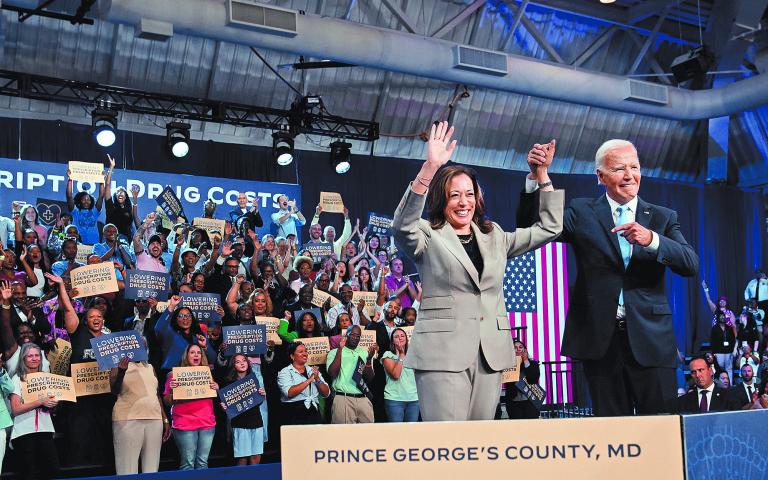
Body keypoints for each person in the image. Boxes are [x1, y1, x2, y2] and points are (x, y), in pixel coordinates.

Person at [392, 122, 563, 421]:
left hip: (489, 353)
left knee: (480, 445)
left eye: (469, 194)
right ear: (442, 199)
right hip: (442, 355)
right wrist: (430, 168)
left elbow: (550, 227)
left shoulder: (494, 235)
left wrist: (542, 175)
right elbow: (402, 226)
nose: (463, 202)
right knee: (448, 446)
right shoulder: (427, 234)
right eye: (455, 195)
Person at [519, 138, 698, 417]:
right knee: (614, 434)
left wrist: (651, 239)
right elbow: (536, 228)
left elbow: (690, 264)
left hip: (651, 341)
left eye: (634, 167)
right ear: (600, 176)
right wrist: (538, 176)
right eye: (619, 169)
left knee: (662, 431)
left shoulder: (662, 217)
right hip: (601, 343)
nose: (629, 175)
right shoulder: (582, 212)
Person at [111, 356, 171, 474]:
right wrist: (122, 370)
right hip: (128, 420)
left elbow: (157, 395)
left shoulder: (150, 367)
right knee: (127, 469)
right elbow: (114, 390)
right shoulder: (117, 365)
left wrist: (165, 419)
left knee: (152, 469)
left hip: (154, 420)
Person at [163, 344, 219, 470]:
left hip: (207, 423)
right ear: (186, 356)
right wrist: (172, 390)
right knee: (188, 464)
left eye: (198, 353)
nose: (196, 355)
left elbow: (212, 396)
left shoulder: (206, 374)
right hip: (185, 424)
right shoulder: (174, 375)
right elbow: (167, 401)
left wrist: (216, 388)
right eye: (192, 352)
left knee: (203, 463)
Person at [9, 343, 60, 480]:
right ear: (23, 358)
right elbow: (15, 409)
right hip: (24, 431)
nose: (34, 358)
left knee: (52, 471)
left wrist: (53, 403)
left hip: (45, 429)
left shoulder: (46, 377)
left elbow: (52, 405)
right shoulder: (17, 379)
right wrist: (40, 402)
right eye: (30, 356)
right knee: (28, 474)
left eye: (37, 355)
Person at [326, 325, 377, 424]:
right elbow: (332, 373)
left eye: (358, 336)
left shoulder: (365, 353)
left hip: (363, 398)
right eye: (352, 334)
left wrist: (369, 359)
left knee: (369, 434)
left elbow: (369, 378)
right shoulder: (334, 352)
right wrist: (340, 349)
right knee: (343, 436)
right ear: (346, 335)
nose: (355, 338)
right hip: (343, 398)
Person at [222, 353, 266, 466]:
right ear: (233, 365)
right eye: (238, 361)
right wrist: (224, 407)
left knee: (256, 457)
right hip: (240, 423)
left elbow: (258, 401)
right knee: (242, 459)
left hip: (256, 421)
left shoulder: (254, 379)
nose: (242, 363)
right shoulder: (229, 383)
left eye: (244, 360)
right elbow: (228, 407)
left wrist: (263, 395)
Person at [277, 341, 330, 425]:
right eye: (301, 352)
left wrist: (317, 379)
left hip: (313, 412)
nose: (305, 354)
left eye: (305, 351)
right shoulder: (285, 372)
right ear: (292, 356)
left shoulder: (313, 371)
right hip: (293, 413)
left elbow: (326, 393)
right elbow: (289, 393)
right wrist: (310, 379)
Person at [380, 327, 419, 422]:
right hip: (394, 400)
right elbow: (396, 375)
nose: (400, 338)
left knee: (411, 433)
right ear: (392, 341)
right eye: (396, 336)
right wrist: (401, 355)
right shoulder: (388, 355)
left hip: (413, 400)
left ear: (406, 339)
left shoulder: (413, 355)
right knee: (396, 433)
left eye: (402, 336)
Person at [66, 168, 105, 245]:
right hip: (78, 245)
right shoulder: (75, 212)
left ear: (91, 202)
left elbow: (101, 196)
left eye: (88, 199)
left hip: (93, 245)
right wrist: (70, 179)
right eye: (84, 199)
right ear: (79, 201)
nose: (86, 201)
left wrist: (101, 180)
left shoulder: (95, 212)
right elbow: (69, 196)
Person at [504, 340, 541, 419]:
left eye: (521, 347)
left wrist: (525, 360)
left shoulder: (533, 363)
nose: (518, 349)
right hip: (514, 402)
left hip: (530, 401)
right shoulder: (507, 365)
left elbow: (533, 379)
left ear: (525, 350)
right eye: (515, 348)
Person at [710, 311, 737, 382]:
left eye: (723, 316)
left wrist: (732, 350)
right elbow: (712, 341)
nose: (722, 318)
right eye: (720, 316)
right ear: (718, 318)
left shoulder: (729, 328)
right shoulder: (715, 328)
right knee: (719, 369)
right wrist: (714, 353)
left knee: (729, 369)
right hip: (719, 352)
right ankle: (720, 386)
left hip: (728, 352)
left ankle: (730, 385)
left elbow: (732, 340)